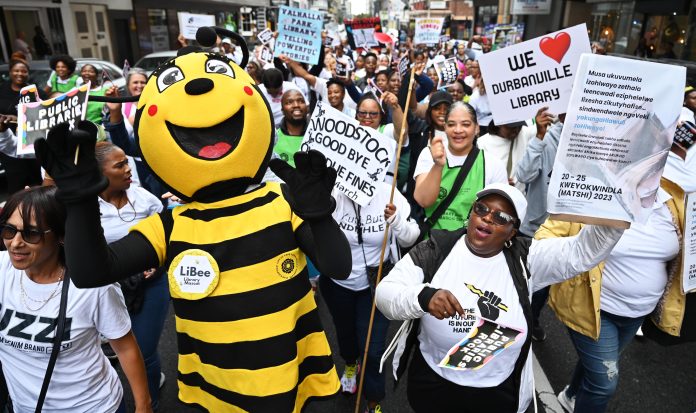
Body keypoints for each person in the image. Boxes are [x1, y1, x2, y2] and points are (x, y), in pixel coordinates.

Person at [375, 183, 626, 413]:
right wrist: (423, 297)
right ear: (471, 214)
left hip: (495, 395)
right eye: (481, 208)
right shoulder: (437, 249)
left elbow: (583, 252)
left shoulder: (528, 258)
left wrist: (619, 200)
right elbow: (385, 294)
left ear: (512, 231)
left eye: (501, 217)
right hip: (434, 386)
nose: (487, 217)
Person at [0, 186, 152, 413]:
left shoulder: (93, 285)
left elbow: (126, 348)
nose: (15, 243)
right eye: (9, 230)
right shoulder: (2, 269)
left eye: (31, 234)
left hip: (93, 407)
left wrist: (143, 406)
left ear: (61, 236)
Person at [541, 179, 683, 412]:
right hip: (594, 308)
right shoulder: (598, 192)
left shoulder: (673, 202)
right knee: (603, 384)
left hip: (637, 313)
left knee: (599, 365)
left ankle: (571, 395)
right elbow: (552, 232)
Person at [324, 180, 420, 413]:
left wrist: (396, 221)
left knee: (373, 348)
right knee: (346, 335)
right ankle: (349, 363)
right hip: (339, 283)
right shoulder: (332, 191)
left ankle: (373, 400)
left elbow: (411, 238)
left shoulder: (389, 193)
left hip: (377, 285)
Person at [94, 141, 168, 410]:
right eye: (120, 165)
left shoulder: (145, 199)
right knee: (121, 350)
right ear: (99, 173)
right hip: (108, 290)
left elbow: (167, 238)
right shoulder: (85, 209)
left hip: (152, 285)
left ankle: (150, 402)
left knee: (144, 350)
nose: (128, 169)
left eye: (127, 162)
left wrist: (157, 264)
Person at [413, 102, 507, 232]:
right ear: (444, 127)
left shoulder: (493, 164)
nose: (458, 130)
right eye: (451, 124)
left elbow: (498, 215)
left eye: (465, 124)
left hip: (472, 245)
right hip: (433, 244)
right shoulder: (429, 154)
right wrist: (438, 166)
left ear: (477, 128)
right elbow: (424, 200)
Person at [514, 108, 561, 341]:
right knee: (527, 281)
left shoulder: (590, 140)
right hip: (535, 228)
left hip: (566, 230)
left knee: (547, 284)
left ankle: (531, 317)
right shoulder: (547, 136)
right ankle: (522, 322)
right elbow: (523, 175)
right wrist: (539, 138)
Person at [0, 59, 43, 194]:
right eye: (16, 70)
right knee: (16, 182)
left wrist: (19, 119)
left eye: (23, 71)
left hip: (32, 144)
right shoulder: (1, 91)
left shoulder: (36, 93)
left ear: (28, 73)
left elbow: (43, 115)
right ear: (10, 72)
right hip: (8, 142)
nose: (20, 73)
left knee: (37, 184)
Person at [355, 93, 407, 183]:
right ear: (357, 114)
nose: (367, 117)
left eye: (373, 114)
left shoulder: (387, 131)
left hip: (384, 192)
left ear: (381, 115)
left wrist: (395, 107)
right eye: (362, 113)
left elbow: (402, 132)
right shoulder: (349, 132)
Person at [477, 119, 536, 189]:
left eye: (519, 126)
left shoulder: (524, 133)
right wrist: (499, 183)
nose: (516, 130)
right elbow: (480, 177)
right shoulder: (482, 143)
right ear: (499, 124)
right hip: (495, 197)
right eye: (512, 127)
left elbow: (547, 126)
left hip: (521, 197)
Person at [273, 89, 309, 165]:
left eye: (301, 101)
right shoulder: (273, 133)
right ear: (282, 110)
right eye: (289, 102)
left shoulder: (318, 132)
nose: (296, 105)